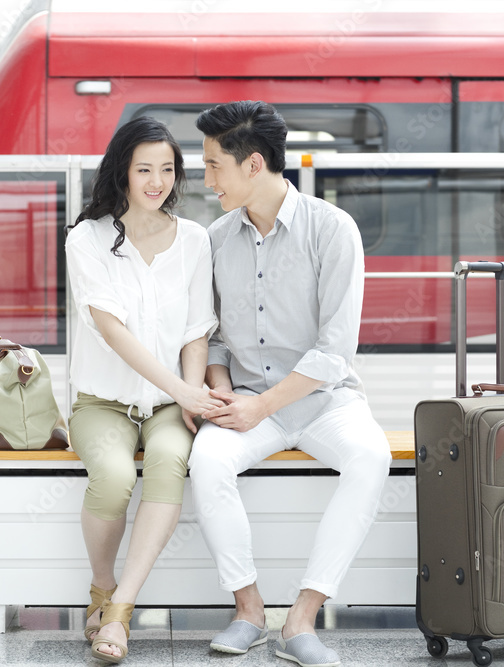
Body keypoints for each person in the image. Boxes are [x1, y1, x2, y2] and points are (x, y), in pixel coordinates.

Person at [188, 100, 392, 667]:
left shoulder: (333, 229)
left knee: (371, 458)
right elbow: (216, 338)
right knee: (208, 461)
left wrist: (264, 407)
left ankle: (302, 619)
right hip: (250, 397)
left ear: (253, 165)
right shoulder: (217, 237)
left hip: (324, 399)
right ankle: (249, 611)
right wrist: (225, 389)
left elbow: (334, 351)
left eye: (212, 166)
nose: (206, 179)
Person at [65, 116, 220, 664]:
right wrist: (185, 388)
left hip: (169, 404)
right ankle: (102, 588)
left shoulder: (195, 239)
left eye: (167, 169)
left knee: (168, 461)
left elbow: (197, 329)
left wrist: (190, 395)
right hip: (101, 400)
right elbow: (111, 330)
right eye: (144, 169)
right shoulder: (87, 238)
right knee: (112, 475)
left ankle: (119, 613)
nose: (157, 181)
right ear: (122, 172)